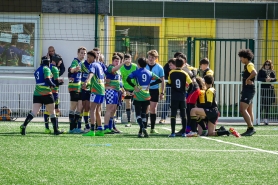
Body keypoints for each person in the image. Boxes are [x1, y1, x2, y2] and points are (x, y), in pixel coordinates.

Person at [20, 57, 63, 135]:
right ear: (48, 62)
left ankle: (24, 125)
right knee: (52, 112)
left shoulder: (37, 69)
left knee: (34, 112)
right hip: (46, 93)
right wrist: (53, 85)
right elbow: (47, 79)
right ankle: (56, 130)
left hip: (37, 92)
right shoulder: (46, 69)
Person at [126, 57, 162, 137]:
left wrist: (134, 86)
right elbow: (160, 80)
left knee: (138, 114)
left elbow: (128, 79)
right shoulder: (149, 72)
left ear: (138, 64)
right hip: (146, 95)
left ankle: (142, 128)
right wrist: (150, 85)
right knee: (144, 113)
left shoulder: (135, 72)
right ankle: (141, 132)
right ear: (146, 64)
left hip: (138, 95)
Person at [174, 52, 199, 135]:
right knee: (187, 110)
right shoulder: (183, 69)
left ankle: (190, 129)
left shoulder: (185, 69)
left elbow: (193, 80)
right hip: (190, 90)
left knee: (188, 110)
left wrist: (188, 91)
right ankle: (188, 128)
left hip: (193, 90)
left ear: (183, 61)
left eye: (178, 60)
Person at [82, 50, 106, 137]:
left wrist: (86, 82)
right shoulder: (99, 65)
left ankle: (92, 130)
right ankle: (100, 129)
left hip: (96, 91)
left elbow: (91, 74)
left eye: (88, 57)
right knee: (98, 110)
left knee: (92, 110)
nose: (87, 59)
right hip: (102, 90)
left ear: (93, 57)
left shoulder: (92, 65)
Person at [168, 57, 193, 137]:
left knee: (173, 114)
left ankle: (172, 133)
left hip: (174, 96)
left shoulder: (171, 72)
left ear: (175, 64)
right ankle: (184, 133)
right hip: (182, 96)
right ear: (183, 65)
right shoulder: (185, 73)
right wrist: (188, 92)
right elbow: (191, 84)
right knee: (183, 115)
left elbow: (169, 83)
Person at [103, 55, 127, 134]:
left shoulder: (119, 70)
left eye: (118, 61)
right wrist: (123, 63)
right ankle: (106, 127)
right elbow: (113, 70)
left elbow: (119, 81)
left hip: (117, 91)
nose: (117, 63)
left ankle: (110, 127)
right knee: (109, 109)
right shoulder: (110, 67)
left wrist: (123, 89)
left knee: (113, 110)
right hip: (110, 90)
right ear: (112, 61)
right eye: (116, 61)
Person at [238, 49, 257, 136]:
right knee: (249, 110)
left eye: (241, 57)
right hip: (249, 89)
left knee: (242, 109)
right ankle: (250, 128)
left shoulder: (249, 64)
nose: (241, 59)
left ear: (246, 58)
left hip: (248, 90)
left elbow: (254, 72)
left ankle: (251, 128)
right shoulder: (247, 65)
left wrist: (248, 79)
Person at [145, 50, 165, 134]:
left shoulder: (159, 67)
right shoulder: (144, 66)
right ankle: (144, 127)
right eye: (149, 57)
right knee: (145, 108)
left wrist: (162, 92)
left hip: (154, 90)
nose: (150, 59)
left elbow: (162, 81)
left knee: (153, 109)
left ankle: (152, 128)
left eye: (152, 57)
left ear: (156, 58)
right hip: (144, 90)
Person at [68, 47, 87, 134]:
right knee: (73, 107)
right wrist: (74, 69)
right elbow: (71, 69)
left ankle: (76, 127)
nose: (83, 55)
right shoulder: (75, 61)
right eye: (81, 53)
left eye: (84, 53)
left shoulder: (82, 62)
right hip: (74, 87)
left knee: (80, 107)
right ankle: (72, 128)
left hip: (80, 88)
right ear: (78, 53)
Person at [44, 60, 64, 134]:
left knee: (47, 110)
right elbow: (56, 81)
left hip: (46, 91)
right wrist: (61, 82)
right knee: (56, 110)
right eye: (60, 62)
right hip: (54, 92)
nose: (61, 63)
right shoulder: (55, 69)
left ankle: (46, 128)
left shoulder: (45, 67)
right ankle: (56, 127)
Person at [120, 53, 138, 127]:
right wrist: (124, 90)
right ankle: (128, 120)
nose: (127, 60)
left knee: (137, 103)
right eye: (126, 59)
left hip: (135, 88)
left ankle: (138, 118)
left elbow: (137, 78)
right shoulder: (121, 68)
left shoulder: (135, 66)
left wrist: (136, 88)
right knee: (128, 103)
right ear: (124, 60)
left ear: (131, 59)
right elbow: (120, 80)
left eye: (129, 59)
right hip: (126, 88)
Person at [257, 59, 276, 125]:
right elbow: (258, 78)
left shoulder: (272, 71)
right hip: (263, 89)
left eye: (268, 64)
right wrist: (265, 79)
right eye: (266, 64)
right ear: (264, 65)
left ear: (270, 65)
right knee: (261, 104)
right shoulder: (261, 71)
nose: (267, 66)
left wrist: (270, 79)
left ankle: (266, 119)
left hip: (269, 89)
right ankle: (258, 118)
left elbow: (275, 79)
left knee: (268, 104)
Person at [159, 58, 176, 124]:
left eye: (171, 65)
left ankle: (182, 117)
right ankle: (163, 118)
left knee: (179, 103)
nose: (169, 67)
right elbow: (164, 75)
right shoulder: (167, 67)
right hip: (169, 86)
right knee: (167, 101)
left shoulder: (182, 70)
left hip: (178, 89)